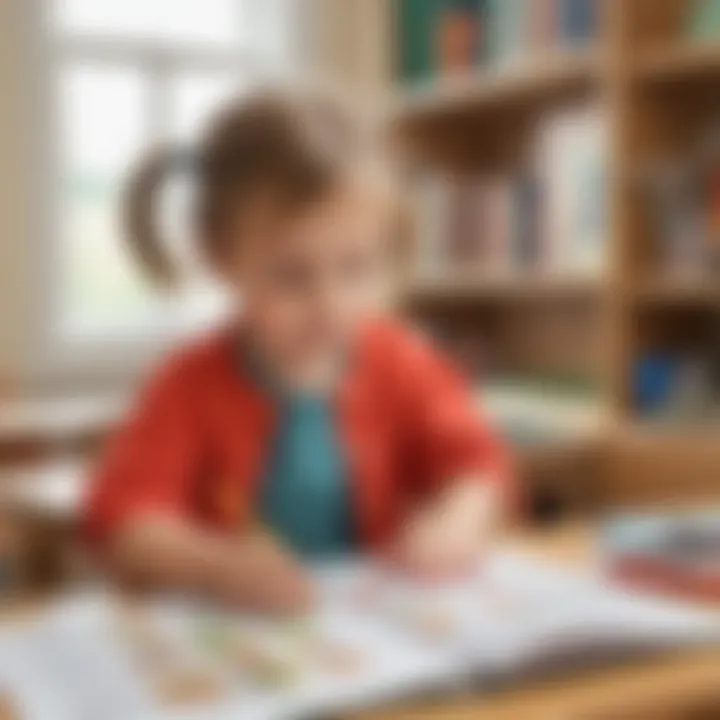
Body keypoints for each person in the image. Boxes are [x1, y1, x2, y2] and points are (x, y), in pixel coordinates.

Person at [84, 88, 512, 615]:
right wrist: (214, 565)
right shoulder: (188, 383)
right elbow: (123, 521)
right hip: (237, 642)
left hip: (372, 635)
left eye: (357, 268)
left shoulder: (402, 362)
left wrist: (459, 519)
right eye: (291, 276)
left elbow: (477, 463)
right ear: (219, 256)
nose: (330, 304)